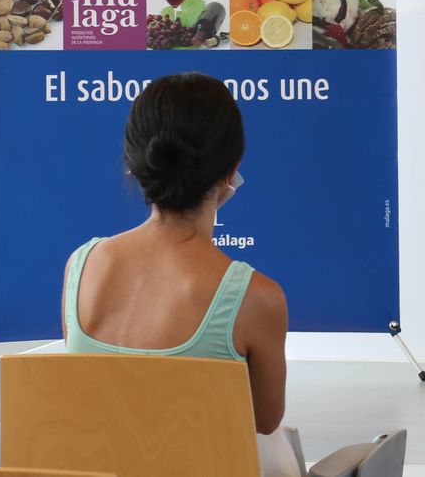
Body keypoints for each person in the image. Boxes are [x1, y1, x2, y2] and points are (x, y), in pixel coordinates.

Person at [61, 72, 288, 435]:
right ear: (231, 170)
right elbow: (264, 422)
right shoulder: (257, 298)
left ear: (135, 165)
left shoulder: (82, 266)